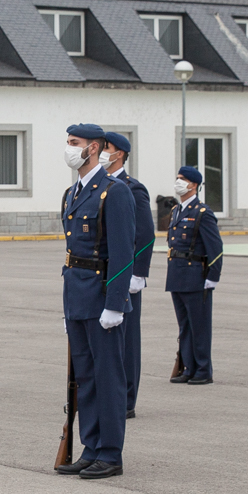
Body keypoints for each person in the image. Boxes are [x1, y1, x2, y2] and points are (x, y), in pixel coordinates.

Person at [54, 124, 136, 480]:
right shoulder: (72, 193)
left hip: (102, 297)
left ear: (94, 148)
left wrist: (115, 304)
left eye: (75, 144)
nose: (69, 149)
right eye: (68, 142)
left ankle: (110, 452)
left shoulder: (113, 193)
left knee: (108, 377)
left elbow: (122, 253)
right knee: (85, 377)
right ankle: (90, 447)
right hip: (77, 294)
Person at [104, 132, 154, 417]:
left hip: (126, 276)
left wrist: (138, 273)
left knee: (127, 339)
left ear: (119, 153)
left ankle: (127, 399)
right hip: (105, 274)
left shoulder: (132, 188)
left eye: (106, 149)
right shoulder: (101, 185)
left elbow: (145, 234)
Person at [165, 166, 223, 385]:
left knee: (199, 325)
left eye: (183, 179)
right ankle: (188, 367)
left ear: (194, 185)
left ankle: (203, 369)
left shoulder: (202, 212)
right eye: (177, 178)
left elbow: (215, 247)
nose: (178, 182)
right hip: (177, 275)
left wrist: (212, 276)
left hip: (196, 276)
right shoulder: (176, 211)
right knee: (185, 326)